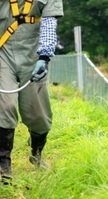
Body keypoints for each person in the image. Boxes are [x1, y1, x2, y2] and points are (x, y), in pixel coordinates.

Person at [0, 0, 64, 184]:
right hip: (3, 53)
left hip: (34, 56)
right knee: (5, 105)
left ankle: (36, 153)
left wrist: (44, 56)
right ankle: (3, 164)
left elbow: (49, 24)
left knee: (38, 114)